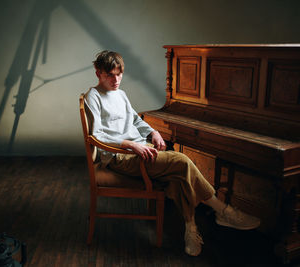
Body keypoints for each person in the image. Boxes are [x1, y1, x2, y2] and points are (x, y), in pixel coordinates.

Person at [84, 50, 260, 256]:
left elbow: (135, 120)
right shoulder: (93, 96)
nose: (116, 80)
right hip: (119, 157)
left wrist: (153, 131)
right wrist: (131, 145)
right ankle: (223, 211)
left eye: (119, 74)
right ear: (98, 73)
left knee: (179, 177)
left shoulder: (121, 94)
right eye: (110, 75)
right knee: (182, 162)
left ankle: (190, 228)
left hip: (141, 150)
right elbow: (96, 136)